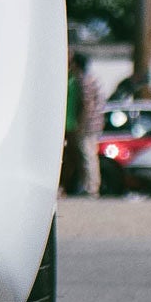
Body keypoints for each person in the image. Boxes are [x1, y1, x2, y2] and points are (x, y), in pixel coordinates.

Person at [65, 50, 101, 197]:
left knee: (87, 155)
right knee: (86, 155)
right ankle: (88, 185)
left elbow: (88, 104)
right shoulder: (89, 78)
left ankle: (91, 188)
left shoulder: (83, 80)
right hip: (92, 124)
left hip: (87, 126)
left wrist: (81, 123)